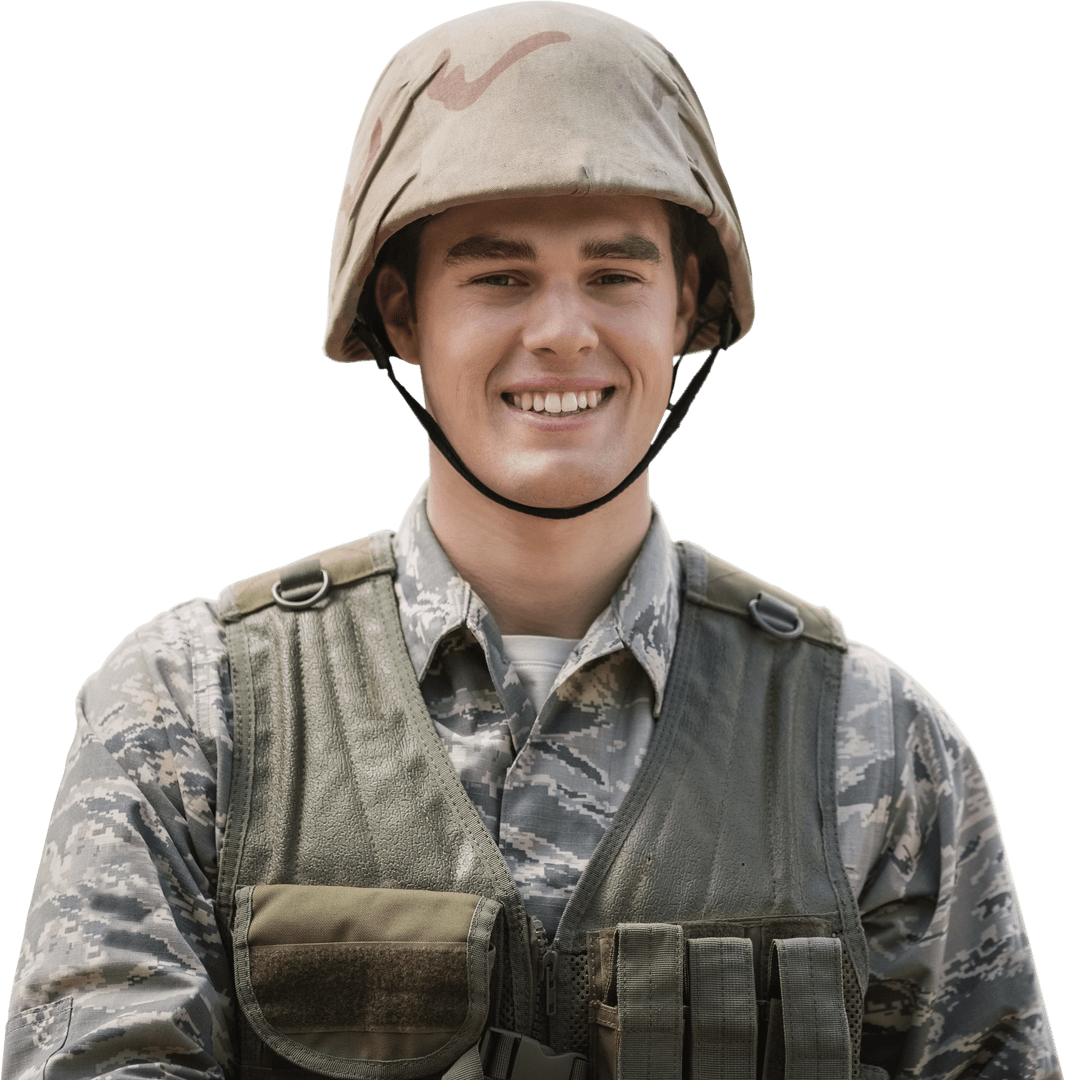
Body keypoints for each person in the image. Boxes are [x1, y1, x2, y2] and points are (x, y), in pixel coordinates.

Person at [2, 4, 1059, 1079]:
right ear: (401, 314)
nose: (561, 331)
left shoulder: (868, 743)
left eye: (614, 275)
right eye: (499, 277)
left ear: (686, 308)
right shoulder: (199, 714)